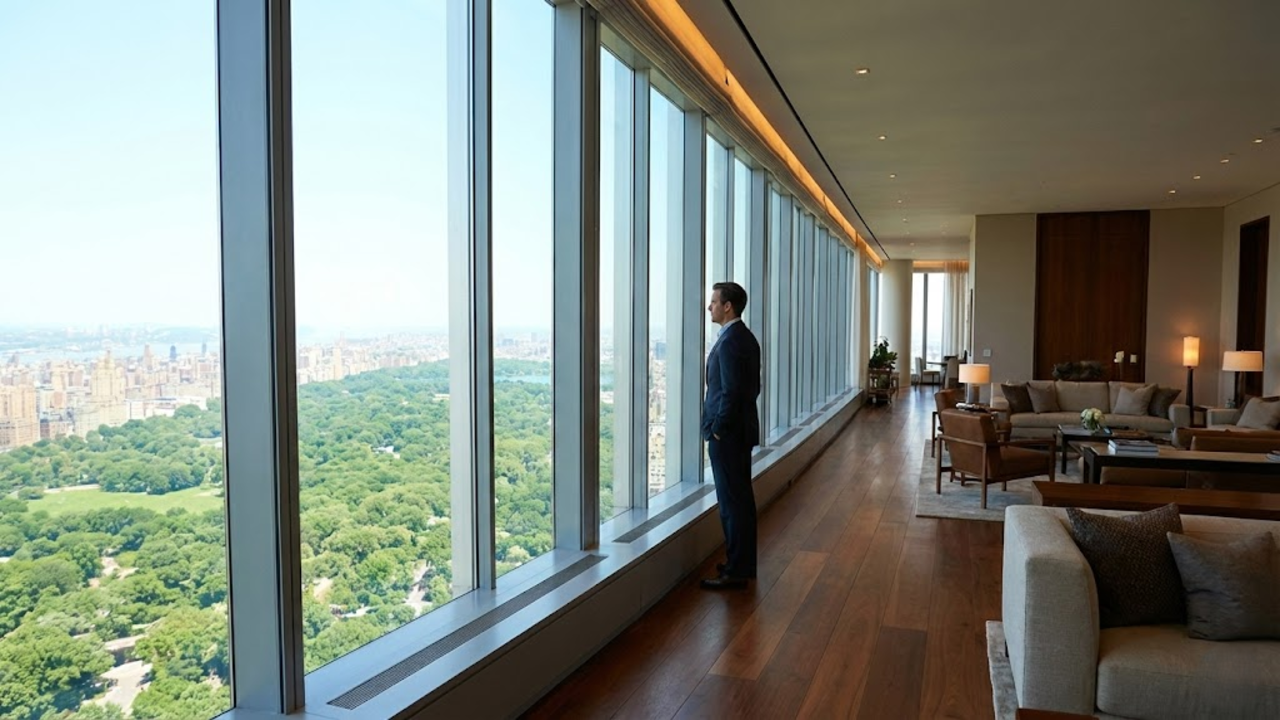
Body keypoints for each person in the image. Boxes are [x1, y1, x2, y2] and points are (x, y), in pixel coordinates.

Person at [700, 281, 761, 590]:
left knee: (731, 504)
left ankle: (736, 572)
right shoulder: (744, 337)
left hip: (729, 437)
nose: (709, 306)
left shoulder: (730, 342)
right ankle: (742, 564)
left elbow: (732, 392)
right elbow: (752, 389)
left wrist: (718, 430)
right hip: (740, 432)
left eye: (714, 302)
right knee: (740, 502)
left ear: (727, 306)